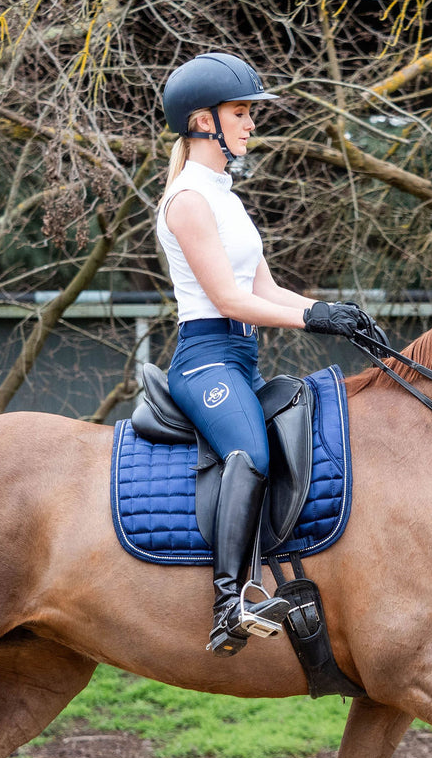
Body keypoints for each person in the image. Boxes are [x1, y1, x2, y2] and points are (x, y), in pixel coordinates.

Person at [157, 52, 380, 657]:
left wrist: (335, 312)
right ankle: (229, 603)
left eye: (249, 113)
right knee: (250, 452)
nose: (251, 123)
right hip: (205, 360)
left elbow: (266, 289)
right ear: (202, 120)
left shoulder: (225, 196)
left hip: (241, 358)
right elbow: (229, 299)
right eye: (240, 112)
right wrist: (311, 318)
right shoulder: (188, 200)